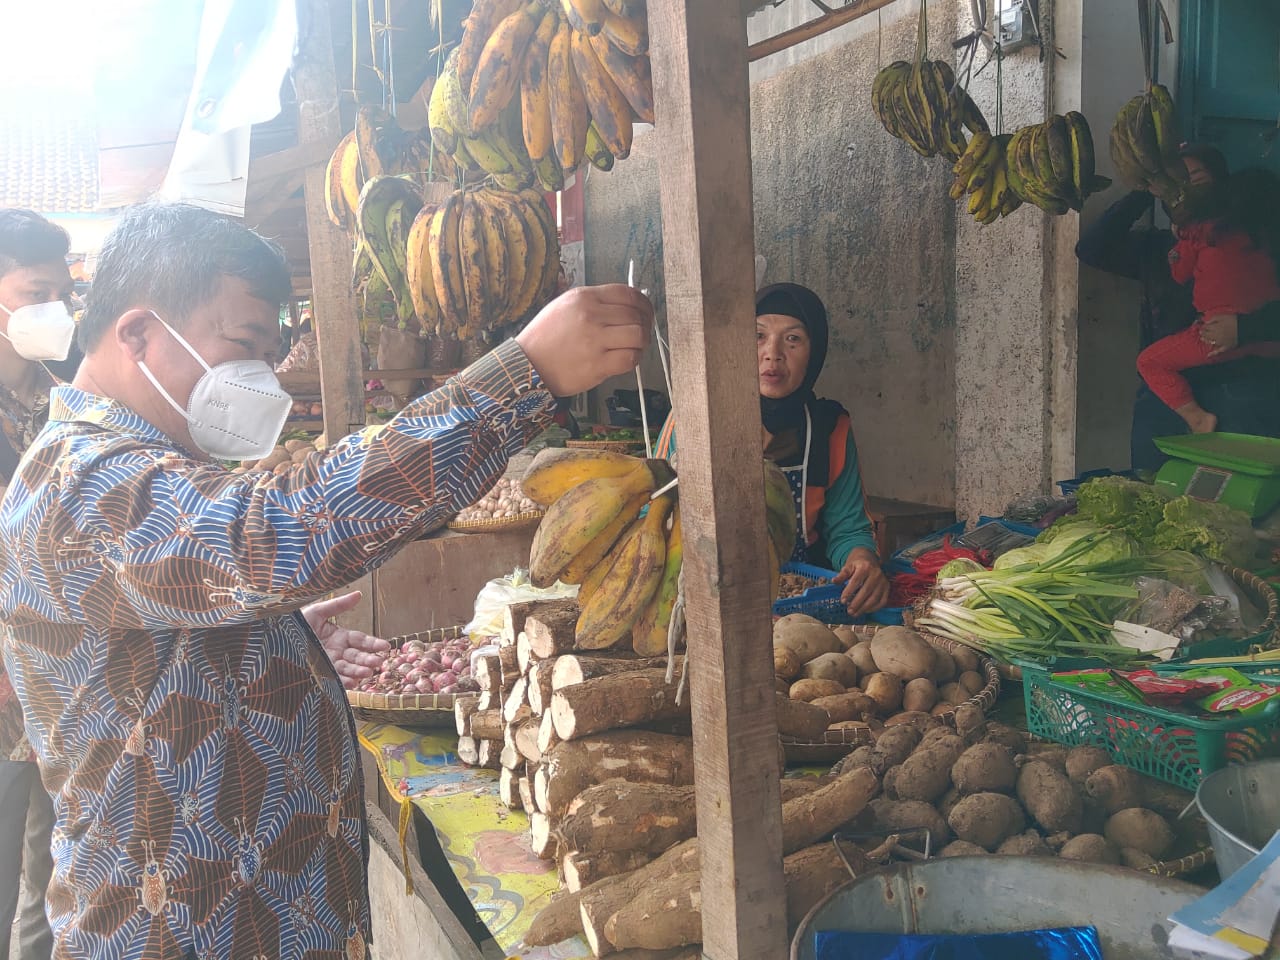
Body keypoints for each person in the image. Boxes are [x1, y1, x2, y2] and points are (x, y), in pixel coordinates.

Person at [0, 201, 650, 959]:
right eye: (242, 343)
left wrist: (262, 647)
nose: (260, 377)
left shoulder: (139, 468)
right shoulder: (80, 479)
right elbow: (276, 531)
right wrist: (521, 376)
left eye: (269, 354)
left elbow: (159, 628)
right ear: (139, 335)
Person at [655, 283, 888, 616]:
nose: (772, 353)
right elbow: (654, 511)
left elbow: (848, 527)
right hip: (702, 598)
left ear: (815, 351)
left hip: (801, 605)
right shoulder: (693, 420)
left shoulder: (829, 428)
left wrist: (862, 559)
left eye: (793, 339)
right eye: (757, 336)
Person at [1075, 143, 1280, 469]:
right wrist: (1145, 190)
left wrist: (1245, 328)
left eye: (1194, 179)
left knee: (1235, 506)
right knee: (1157, 496)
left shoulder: (1259, 240)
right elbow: (1092, 248)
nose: (1182, 188)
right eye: (1174, 181)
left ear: (1221, 185)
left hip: (1241, 391)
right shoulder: (1158, 248)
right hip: (1166, 402)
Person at [0, 207, 76, 960]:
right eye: (34, 291)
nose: (53, 309)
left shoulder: (61, 401)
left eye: (62, 292)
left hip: (58, 681)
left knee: (51, 873)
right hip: (3, 688)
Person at [1136, 167, 1280, 433]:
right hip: (1269, 349)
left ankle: (1197, 418)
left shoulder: (1201, 232)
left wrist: (1180, 239)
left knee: (1149, 362)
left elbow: (1179, 274)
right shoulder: (1267, 239)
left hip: (1215, 341)